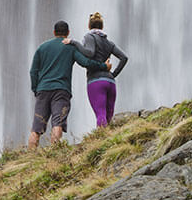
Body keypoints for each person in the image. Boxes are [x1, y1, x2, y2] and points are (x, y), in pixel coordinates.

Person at [28, 20, 111, 149]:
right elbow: (86, 62)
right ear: (68, 33)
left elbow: (33, 71)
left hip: (43, 90)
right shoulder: (70, 47)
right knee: (58, 124)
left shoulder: (42, 48)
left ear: (54, 32)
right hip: (61, 90)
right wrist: (103, 66)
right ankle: (54, 155)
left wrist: (35, 89)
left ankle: (30, 158)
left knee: (36, 128)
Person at [63, 11, 128, 127]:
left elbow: (89, 52)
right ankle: (110, 142)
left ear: (89, 26)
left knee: (101, 114)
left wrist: (74, 42)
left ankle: (101, 142)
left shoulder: (89, 37)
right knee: (109, 116)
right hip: (110, 82)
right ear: (102, 26)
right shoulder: (109, 42)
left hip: (96, 81)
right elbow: (124, 58)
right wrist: (113, 75)